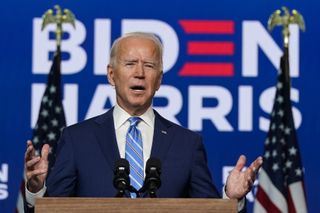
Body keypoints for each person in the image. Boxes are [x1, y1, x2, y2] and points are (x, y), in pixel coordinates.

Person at [25, 32, 263, 211]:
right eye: (130, 64)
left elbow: (206, 210)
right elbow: (52, 209)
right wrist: (36, 190)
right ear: (111, 75)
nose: (139, 72)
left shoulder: (187, 144)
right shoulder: (77, 139)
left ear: (158, 80)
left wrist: (231, 199)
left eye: (149, 66)